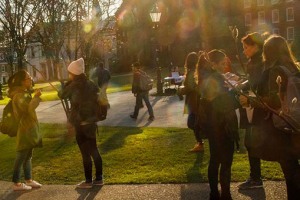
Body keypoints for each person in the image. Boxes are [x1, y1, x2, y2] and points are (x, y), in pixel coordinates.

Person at [239, 35, 300, 199]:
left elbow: (274, 101)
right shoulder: (294, 68)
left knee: (290, 167)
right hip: (296, 121)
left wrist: (251, 100)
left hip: (282, 124)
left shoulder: (275, 70)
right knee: (292, 166)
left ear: (268, 52)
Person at [197, 50, 238, 200]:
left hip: (215, 126)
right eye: (222, 63)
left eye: (225, 62)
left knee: (216, 160)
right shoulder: (214, 79)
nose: (225, 65)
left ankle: (215, 193)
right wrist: (236, 95)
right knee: (225, 160)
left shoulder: (210, 77)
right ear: (213, 65)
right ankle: (224, 194)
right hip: (222, 126)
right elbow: (221, 103)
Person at [58, 58, 104, 189]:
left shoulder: (74, 85)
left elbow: (61, 95)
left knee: (85, 153)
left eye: (70, 73)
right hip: (91, 123)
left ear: (73, 73)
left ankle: (88, 181)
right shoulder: (91, 84)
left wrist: (67, 84)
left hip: (80, 124)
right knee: (94, 150)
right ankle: (99, 178)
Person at [238, 32, 265, 190]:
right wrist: (242, 83)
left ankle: (256, 177)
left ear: (255, 47)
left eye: (246, 47)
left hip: (256, 105)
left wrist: (242, 86)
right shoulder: (257, 61)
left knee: (251, 141)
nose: (244, 50)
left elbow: (256, 83)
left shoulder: (258, 62)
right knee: (250, 141)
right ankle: (255, 176)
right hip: (255, 103)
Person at [7, 70, 43, 191]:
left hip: (29, 128)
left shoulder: (23, 93)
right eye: (28, 78)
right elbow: (29, 109)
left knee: (28, 156)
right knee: (21, 155)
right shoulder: (19, 95)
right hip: (25, 130)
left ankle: (28, 179)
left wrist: (33, 95)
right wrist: (37, 97)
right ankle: (16, 183)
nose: (31, 79)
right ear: (22, 82)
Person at [181, 52, 204, 152]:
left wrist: (181, 90)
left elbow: (191, 87)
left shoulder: (191, 72)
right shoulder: (195, 71)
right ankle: (200, 143)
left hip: (193, 102)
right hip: (194, 101)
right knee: (194, 123)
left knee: (192, 123)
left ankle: (201, 142)